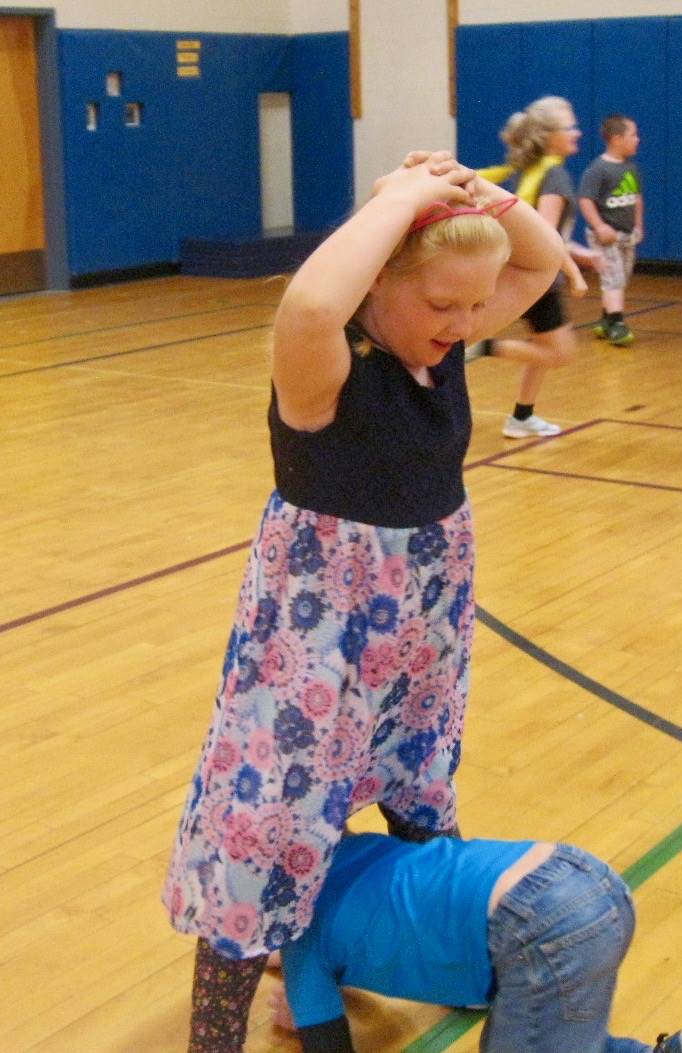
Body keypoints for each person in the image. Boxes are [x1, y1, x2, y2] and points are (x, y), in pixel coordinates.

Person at [161, 150, 567, 1053]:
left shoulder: (441, 343)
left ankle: (438, 951)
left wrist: (477, 189)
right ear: (378, 281)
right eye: (441, 305)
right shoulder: (323, 367)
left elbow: (539, 267)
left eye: (473, 306)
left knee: (420, 788)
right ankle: (213, 1036)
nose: (462, 324)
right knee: (266, 823)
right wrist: (402, 198)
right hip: (319, 636)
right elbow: (310, 301)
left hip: (422, 618)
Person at [267, 831, 682, 1053]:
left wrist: (306, 1008)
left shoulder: (301, 942)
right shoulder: (356, 848)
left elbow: (329, 1045)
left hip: (540, 928)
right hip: (590, 881)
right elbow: (380, 923)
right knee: (560, 1036)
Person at [472, 95, 603, 439]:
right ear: (548, 135)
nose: (577, 132)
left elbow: (544, 234)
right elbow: (544, 238)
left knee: (540, 346)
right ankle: (480, 348)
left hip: (523, 273)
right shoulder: (554, 176)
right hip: (534, 280)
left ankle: (522, 416)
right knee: (559, 352)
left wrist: (583, 257)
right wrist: (576, 269)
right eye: (570, 127)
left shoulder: (532, 172)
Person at [578, 114, 644, 347]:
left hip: (627, 235)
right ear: (616, 139)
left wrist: (638, 224)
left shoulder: (630, 168)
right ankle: (617, 323)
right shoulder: (599, 169)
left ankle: (606, 320)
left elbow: (636, 197)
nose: (638, 139)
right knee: (613, 278)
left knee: (621, 277)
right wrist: (599, 226)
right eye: (633, 135)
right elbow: (585, 200)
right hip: (605, 237)